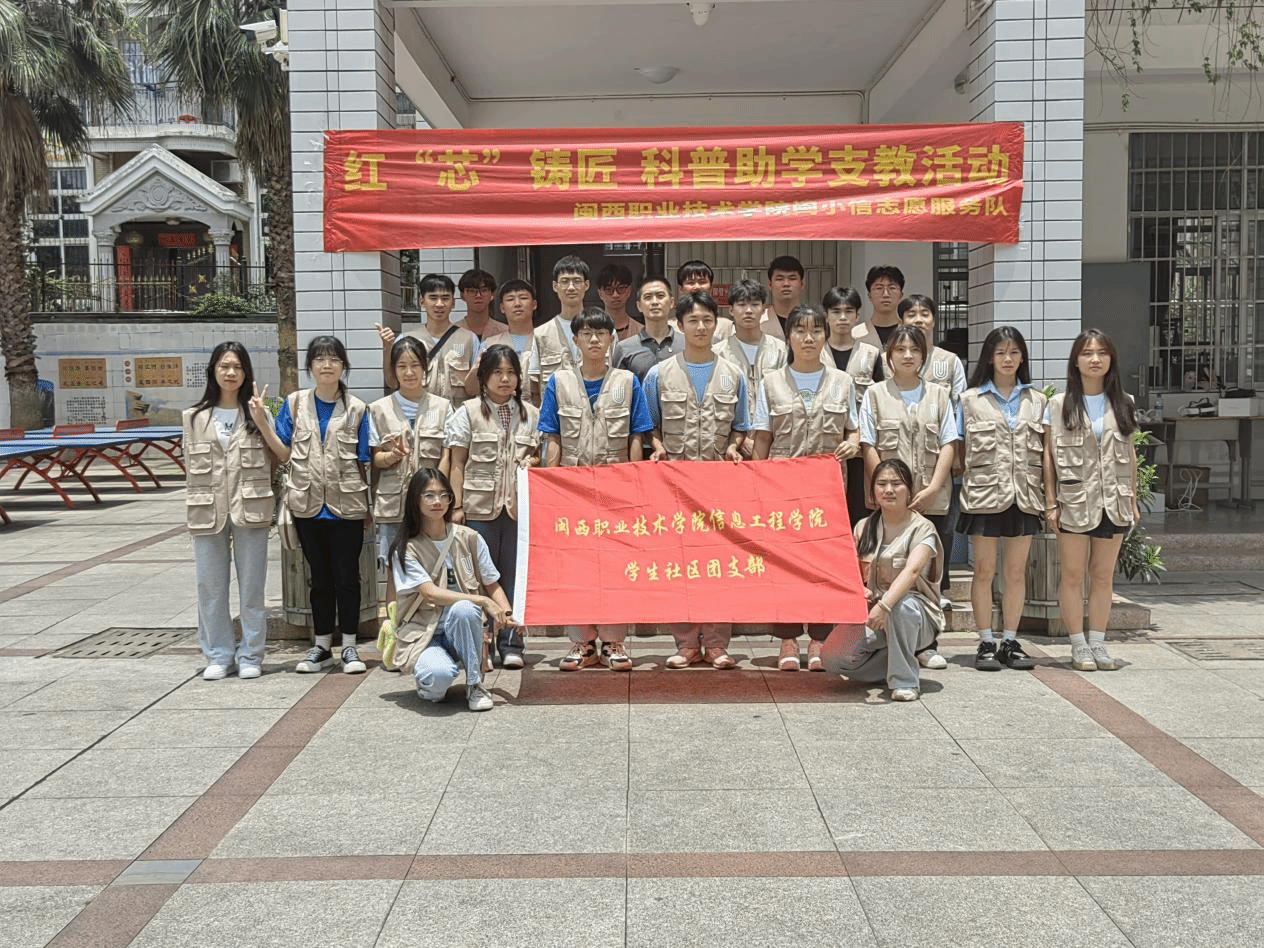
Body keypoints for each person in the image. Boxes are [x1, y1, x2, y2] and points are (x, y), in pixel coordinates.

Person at [538, 308, 654, 669]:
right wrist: (550, 488)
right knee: (576, 568)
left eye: (601, 334)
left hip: (615, 492)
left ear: (611, 339)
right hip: (572, 492)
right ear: (575, 340)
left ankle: (614, 642)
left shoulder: (627, 381)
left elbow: (637, 436)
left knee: (616, 568)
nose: (593, 340)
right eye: (586, 334)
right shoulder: (559, 382)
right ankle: (582, 643)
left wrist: (635, 486)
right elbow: (552, 437)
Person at [750, 305, 860, 671]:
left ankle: (818, 640)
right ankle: (787, 640)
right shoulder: (771, 383)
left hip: (828, 491)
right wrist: (756, 487)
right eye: (800, 331)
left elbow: (854, 429)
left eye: (816, 331)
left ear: (826, 336)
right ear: (788, 337)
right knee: (784, 566)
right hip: (781, 490)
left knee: (823, 566)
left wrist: (853, 444)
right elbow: (763, 438)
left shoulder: (842, 382)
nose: (808, 338)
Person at [644, 291, 749, 669]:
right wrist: (657, 447)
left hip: (720, 487)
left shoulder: (734, 374)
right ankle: (686, 643)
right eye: (693, 321)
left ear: (716, 325)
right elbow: (649, 425)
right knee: (680, 566)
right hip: (675, 487)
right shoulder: (658, 374)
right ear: (679, 325)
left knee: (719, 566)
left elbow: (741, 425)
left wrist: (735, 447)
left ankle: (718, 644)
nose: (701, 327)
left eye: (707, 320)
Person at [858, 325, 959, 671]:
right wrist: (882, 487)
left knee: (928, 572)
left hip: (931, 497)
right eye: (900, 349)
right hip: (890, 500)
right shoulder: (875, 394)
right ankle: (890, 639)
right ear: (889, 356)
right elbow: (868, 444)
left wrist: (932, 488)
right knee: (890, 565)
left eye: (914, 350)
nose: (907, 356)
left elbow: (949, 443)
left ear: (923, 356)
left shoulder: (939, 395)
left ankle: (926, 644)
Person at [274, 336, 372, 674]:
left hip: (348, 506)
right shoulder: (294, 404)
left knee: (348, 578)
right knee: (318, 579)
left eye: (333, 358)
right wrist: (260, 419)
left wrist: (369, 508)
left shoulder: (358, 408)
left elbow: (364, 459)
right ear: (310, 366)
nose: (326, 364)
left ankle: (350, 647)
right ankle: (321, 646)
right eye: (319, 358)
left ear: (344, 366)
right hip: (307, 505)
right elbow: (283, 451)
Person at [183, 342, 280, 680]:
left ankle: (251, 654)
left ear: (246, 373)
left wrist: (261, 419)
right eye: (224, 366)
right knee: (210, 586)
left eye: (237, 367)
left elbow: (278, 458)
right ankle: (219, 654)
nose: (230, 373)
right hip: (207, 510)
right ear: (213, 370)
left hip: (251, 507)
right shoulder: (193, 418)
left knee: (252, 587)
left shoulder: (257, 414)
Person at [1044, 329, 1139, 672]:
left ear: (1111, 359)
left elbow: (1130, 454)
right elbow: (1048, 456)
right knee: (1072, 574)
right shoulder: (1058, 404)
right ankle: (1078, 645)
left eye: (1102, 353)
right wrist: (1051, 502)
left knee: (1102, 575)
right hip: (1073, 501)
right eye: (1087, 353)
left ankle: (1098, 642)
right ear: (1075, 361)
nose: (1095, 359)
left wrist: (1133, 499)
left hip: (1114, 500)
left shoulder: (1124, 402)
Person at [386, 468, 514, 712]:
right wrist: (483, 601)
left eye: (443, 495)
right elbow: (430, 592)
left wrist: (507, 615)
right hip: (426, 634)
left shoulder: (470, 538)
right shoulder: (406, 548)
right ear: (415, 500)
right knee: (438, 681)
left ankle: (475, 685)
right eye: (429, 495)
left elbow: (491, 582)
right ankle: (431, 679)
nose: (438, 501)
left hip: (464, 630)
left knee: (464, 608)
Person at [958, 327, 1046, 671]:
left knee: (1015, 572)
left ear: (1022, 357)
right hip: (983, 495)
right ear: (989, 358)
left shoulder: (1037, 401)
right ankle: (985, 641)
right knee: (983, 570)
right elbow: (959, 450)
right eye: (1000, 353)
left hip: (1024, 496)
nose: (1007, 359)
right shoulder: (970, 400)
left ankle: (1010, 640)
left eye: (1014, 352)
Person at [820, 459, 945, 701]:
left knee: (901, 606)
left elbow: (912, 571)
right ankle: (892, 664)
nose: (889, 490)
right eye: (882, 484)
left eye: (896, 484)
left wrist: (885, 605)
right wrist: (860, 590)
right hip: (874, 613)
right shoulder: (863, 527)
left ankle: (905, 682)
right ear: (873, 490)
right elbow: (849, 570)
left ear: (909, 489)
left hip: (916, 616)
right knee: (833, 658)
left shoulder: (923, 528)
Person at [447, 345, 540, 668]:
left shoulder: (531, 414)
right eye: (497, 372)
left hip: (517, 511)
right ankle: (481, 645)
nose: (504, 379)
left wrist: (533, 461)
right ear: (484, 377)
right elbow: (456, 462)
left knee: (514, 577)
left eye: (511, 373)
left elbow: (539, 456)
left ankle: (512, 643)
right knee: (477, 579)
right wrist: (457, 506)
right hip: (478, 509)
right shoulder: (468, 412)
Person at [367, 336, 452, 602]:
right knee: (395, 566)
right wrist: (391, 455)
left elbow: (447, 455)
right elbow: (375, 459)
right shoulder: (378, 409)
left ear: (425, 367)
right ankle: (394, 624)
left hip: (431, 504)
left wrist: (438, 492)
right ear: (393, 370)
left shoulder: (443, 407)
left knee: (433, 564)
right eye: (402, 366)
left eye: (415, 365)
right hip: (393, 503)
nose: (409, 372)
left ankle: (429, 622)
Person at [898, 294, 966, 608]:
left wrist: (958, 455)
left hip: (939, 454)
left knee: (942, 525)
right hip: (899, 455)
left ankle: (939, 589)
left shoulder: (949, 361)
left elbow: (959, 408)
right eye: (911, 314)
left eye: (925, 313)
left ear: (934, 319)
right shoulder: (888, 359)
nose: (918, 319)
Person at [824, 286, 883, 526]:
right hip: (824, 449)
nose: (842, 318)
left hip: (861, 451)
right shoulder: (813, 353)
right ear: (826, 315)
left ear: (858, 315)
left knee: (860, 516)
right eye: (835, 311)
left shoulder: (872, 354)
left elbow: (880, 400)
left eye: (848, 312)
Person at [378, 273, 480, 405]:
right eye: (433, 298)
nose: (439, 304)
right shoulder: (407, 340)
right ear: (422, 302)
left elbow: (478, 387)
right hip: (419, 413)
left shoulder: (469, 339)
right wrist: (387, 348)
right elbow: (392, 383)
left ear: (453, 303)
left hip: (457, 415)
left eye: (445, 298)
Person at [715, 278, 786, 457]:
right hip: (730, 447)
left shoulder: (780, 350)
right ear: (731, 310)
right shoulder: (717, 354)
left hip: (774, 443)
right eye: (741, 305)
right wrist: (738, 439)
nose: (748, 310)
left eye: (755, 304)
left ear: (764, 309)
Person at [534, 255, 612, 395]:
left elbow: (616, 376)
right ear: (555, 286)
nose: (571, 287)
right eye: (564, 281)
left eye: (577, 281)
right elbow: (532, 389)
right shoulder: (540, 335)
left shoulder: (605, 329)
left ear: (586, 285)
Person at [469, 279, 540, 404]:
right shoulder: (490, 344)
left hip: (536, 411)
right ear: (502, 308)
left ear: (534, 304)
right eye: (510, 299)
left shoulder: (545, 340)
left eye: (523, 298)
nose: (517, 304)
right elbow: (472, 388)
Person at [615, 274, 685, 382]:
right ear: (639, 306)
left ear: (672, 302)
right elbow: (619, 387)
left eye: (660, 296)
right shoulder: (624, 348)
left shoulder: (687, 344)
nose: (654, 302)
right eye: (648, 297)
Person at [676, 259, 732, 340]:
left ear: (711, 287)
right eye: (691, 283)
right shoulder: (671, 327)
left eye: (702, 282)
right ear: (680, 289)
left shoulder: (725, 326)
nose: (697, 287)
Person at [852, 265, 905, 350]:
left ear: (901, 295)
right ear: (869, 296)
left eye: (892, 288)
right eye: (879, 288)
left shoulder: (912, 333)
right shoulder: (855, 334)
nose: (886, 294)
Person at [760, 255, 805, 340]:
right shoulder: (758, 321)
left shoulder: (816, 321)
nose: (786, 284)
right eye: (780, 279)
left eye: (792, 278)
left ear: (802, 284)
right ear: (770, 284)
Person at [596, 263, 642, 341]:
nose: (615, 295)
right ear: (600, 293)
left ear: (629, 291)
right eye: (609, 290)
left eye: (621, 289)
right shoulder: (591, 330)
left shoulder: (641, 331)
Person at [456, 268, 500, 340]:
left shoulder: (505, 331)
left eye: (484, 290)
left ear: (492, 294)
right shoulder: (452, 333)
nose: (478, 295)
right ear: (462, 295)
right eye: (472, 291)